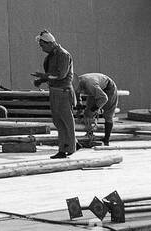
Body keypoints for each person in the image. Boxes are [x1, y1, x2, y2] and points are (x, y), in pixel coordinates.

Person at [32, 30, 76, 159]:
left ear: (50, 43)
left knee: (65, 121)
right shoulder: (52, 55)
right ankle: (69, 145)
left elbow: (60, 75)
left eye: (42, 45)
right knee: (58, 121)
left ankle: (66, 148)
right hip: (56, 91)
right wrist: (41, 80)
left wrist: (43, 76)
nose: (41, 48)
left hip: (63, 92)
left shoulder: (63, 55)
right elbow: (52, 75)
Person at [75, 71, 120, 146]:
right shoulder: (76, 83)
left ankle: (106, 140)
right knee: (87, 112)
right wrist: (79, 106)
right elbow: (77, 93)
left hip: (109, 88)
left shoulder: (90, 85)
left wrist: (94, 109)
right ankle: (89, 136)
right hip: (96, 88)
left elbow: (104, 98)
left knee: (108, 115)